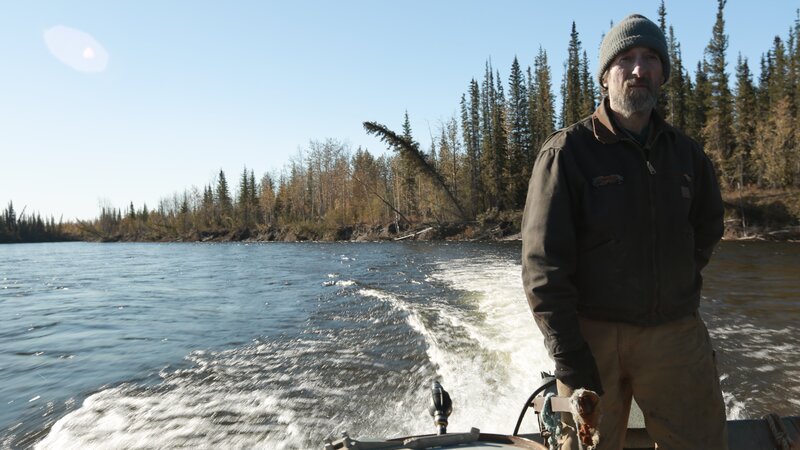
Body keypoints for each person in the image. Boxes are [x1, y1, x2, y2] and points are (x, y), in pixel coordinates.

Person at [521, 13, 728, 450]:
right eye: (626, 59)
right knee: (587, 445)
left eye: (650, 58)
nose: (639, 69)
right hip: (592, 338)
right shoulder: (567, 153)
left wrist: (675, 276)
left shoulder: (687, 155)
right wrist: (569, 356)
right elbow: (542, 268)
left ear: (662, 73)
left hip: (675, 335)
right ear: (605, 76)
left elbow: (707, 228)